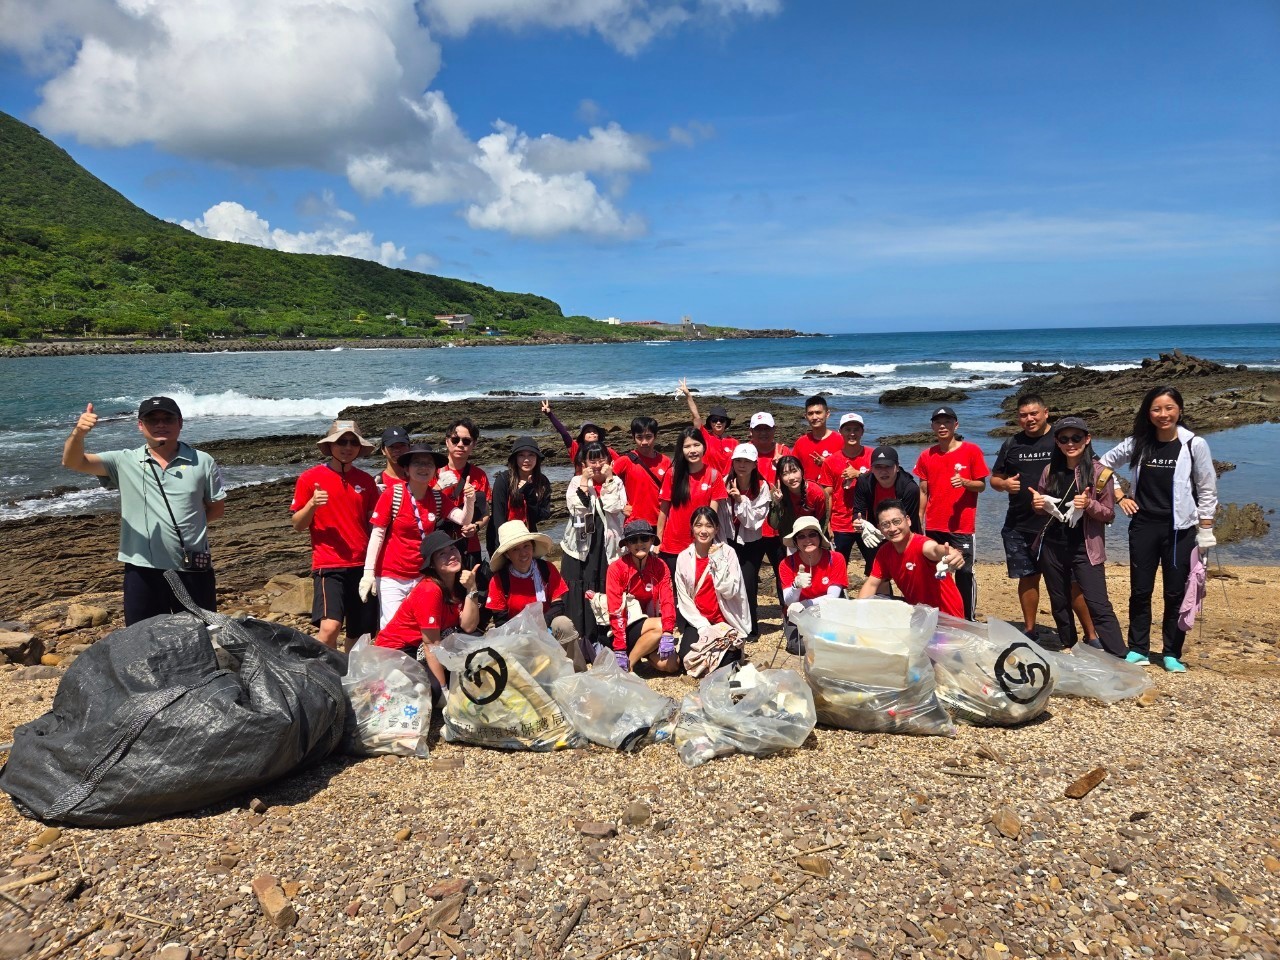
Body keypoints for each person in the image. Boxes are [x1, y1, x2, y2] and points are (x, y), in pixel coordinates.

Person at [61, 396, 226, 625]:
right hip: (142, 570)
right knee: (143, 638)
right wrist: (78, 433)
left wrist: (187, 530)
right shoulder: (124, 461)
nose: (160, 424)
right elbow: (73, 461)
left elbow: (216, 508)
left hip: (192, 566)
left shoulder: (203, 461)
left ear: (180, 423)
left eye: (167, 418)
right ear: (140, 425)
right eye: (152, 419)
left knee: (201, 634)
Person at [1099, 385, 1218, 672]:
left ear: (1179, 409)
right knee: (1141, 590)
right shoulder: (1138, 442)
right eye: (1156, 409)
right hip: (1144, 526)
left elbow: (1207, 488)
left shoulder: (1194, 444)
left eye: (1168, 408)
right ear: (1148, 412)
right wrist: (1119, 496)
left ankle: (1171, 653)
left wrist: (1205, 528)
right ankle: (1138, 649)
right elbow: (1101, 464)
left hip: (1181, 529)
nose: (1163, 414)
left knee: (1175, 592)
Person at [990, 394, 1098, 642]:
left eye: (1034, 413)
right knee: (1028, 577)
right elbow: (994, 478)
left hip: (1058, 524)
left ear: (1046, 412)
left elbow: (1094, 469)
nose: (1029, 419)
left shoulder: (1063, 439)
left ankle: (1091, 634)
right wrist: (1004, 484)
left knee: (1071, 581)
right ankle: (1030, 630)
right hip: (1019, 523)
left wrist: (1117, 495)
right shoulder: (1012, 443)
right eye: (1023, 415)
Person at [1030, 417, 1125, 656]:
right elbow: (1040, 508)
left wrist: (1089, 504)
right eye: (1064, 439)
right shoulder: (1050, 470)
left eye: (1076, 438)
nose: (1070, 443)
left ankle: (1118, 654)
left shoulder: (1101, 474)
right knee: (1059, 600)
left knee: (1098, 603)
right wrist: (1038, 504)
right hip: (1052, 545)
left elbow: (1109, 515)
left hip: (1086, 548)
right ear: (1057, 442)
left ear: (1087, 439)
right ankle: (1068, 645)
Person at [289, 419, 380, 649]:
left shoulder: (366, 481)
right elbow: (298, 524)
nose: (347, 447)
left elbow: (375, 525)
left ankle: (350, 679)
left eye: (353, 442)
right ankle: (322, 675)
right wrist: (311, 505)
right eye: (341, 441)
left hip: (362, 565)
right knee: (329, 628)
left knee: (361, 634)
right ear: (330, 446)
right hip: (329, 565)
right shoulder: (309, 479)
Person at [362, 444, 473, 629]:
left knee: (421, 624)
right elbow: (377, 534)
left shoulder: (437, 498)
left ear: (435, 470)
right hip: (392, 575)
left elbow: (463, 519)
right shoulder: (393, 494)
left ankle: (420, 658)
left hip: (425, 575)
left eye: (428, 464)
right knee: (393, 627)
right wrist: (368, 574)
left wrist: (469, 500)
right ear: (406, 468)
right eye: (417, 463)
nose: (423, 468)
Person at [375, 531, 482, 695]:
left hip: (429, 645)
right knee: (432, 691)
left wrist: (472, 589)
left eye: (453, 549)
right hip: (399, 650)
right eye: (442, 554)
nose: (451, 556)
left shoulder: (459, 582)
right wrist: (444, 690)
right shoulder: (430, 590)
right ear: (432, 564)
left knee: (476, 644)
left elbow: (468, 627)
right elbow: (431, 645)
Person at [913, 406, 989, 620]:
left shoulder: (971, 450)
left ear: (956, 425)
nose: (942, 426)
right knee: (934, 571)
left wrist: (965, 482)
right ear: (932, 427)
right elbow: (923, 490)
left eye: (947, 422)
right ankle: (938, 614)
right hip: (935, 525)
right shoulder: (926, 455)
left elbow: (981, 486)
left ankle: (968, 617)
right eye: (938, 422)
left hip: (961, 526)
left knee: (964, 572)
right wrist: (920, 518)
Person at [488, 520, 586, 670]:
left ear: (533, 547)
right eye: (515, 549)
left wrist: (540, 625)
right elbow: (501, 622)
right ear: (507, 555)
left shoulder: (546, 569)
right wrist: (527, 631)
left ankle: (579, 672)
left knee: (564, 624)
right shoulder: (499, 580)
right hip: (517, 635)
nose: (523, 553)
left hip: (547, 626)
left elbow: (558, 605)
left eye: (526, 546)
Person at [560, 442, 628, 654]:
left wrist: (608, 480)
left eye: (602, 460)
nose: (597, 465)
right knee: (580, 589)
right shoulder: (576, 482)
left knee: (604, 589)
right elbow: (577, 509)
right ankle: (580, 637)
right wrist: (583, 480)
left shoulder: (616, 482)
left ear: (609, 462)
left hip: (606, 545)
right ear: (584, 463)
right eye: (592, 460)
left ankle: (602, 637)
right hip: (580, 545)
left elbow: (613, 506)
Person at [675, 507, 750, 676]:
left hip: (724, 618)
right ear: (692, 528)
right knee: (685, 657)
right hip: (699, 619)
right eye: (698, 525)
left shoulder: (728, 553)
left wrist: (718, 561)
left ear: (716, 529)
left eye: (709, 526)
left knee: (725, 665)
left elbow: (730, 591)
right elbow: (684, 598)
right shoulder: (683, 557)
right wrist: (702, 626)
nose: (703, 531)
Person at [858, 500, 966, 618]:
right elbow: (872, 584)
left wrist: (950, 552)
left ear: (908, 520)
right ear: (879, 528)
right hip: (920, 613)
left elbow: (934, 549)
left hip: (947, 615)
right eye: (885, 524)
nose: (893, 529)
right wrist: (858, 612)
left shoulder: (921, 544)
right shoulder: (884, 552)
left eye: (896, 521)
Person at [605, 520, 680, 674]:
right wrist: (619, 646)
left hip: (650, 628)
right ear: (627, 544)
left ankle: (635, 657)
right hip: (623, 628)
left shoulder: (660, 566)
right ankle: (628, 664)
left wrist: (668, 632)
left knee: (672, 665)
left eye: (644, 538)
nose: (639, 544)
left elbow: (667, 601)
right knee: (659, 627)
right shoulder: (616, 568)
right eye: (633, 540)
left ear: (652, 540)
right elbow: (615, 609)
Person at [850, 446, 921, 594]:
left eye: (888, 467)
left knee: (909, 573)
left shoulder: (909, 488)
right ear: (871, 468)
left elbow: (909, 522)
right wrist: (860, 523)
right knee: (878, 574)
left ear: (897, 467)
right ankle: (884, 602)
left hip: (904, 533)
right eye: (878, 467)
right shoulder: (864, 482)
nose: (883, 472)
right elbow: (858, 511)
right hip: (875, 532)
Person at [657, 426, 726, 576]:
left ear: (704, 446)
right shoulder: (672, 474)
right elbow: (663, 510)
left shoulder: (714, 475)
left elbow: (712, 515)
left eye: (696, 445)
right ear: (681, 450)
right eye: (687, 446)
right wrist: (658, 540)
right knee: (674, 593)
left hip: (701, 545)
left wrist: (711, 543)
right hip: (672, 545)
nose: (692, 450)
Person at [777, 515, 848, 655]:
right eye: (801, 536)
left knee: (839, 641)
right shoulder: (786, 564)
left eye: (812, 534)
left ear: (820, 537)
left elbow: (832, 597)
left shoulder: (835, 559)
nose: (807, 540)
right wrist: (796, 586)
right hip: (797, 613)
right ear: (796, 541)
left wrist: (806, 603)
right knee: (799, 647)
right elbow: (789, 601)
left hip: (827, 611)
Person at [724, 443, 772, 640]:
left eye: (746, 461)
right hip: (728, 539)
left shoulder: (761, 486)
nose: (741, 465)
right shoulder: (725, 481)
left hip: (752, 542)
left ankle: (751, 628)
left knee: (749, 583)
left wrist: (740, 499)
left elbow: (753, 522)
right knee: (728, 582)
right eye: (738, 461)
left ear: (754, 464)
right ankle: (729, 623)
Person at [437, 417, 490, 568]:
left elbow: (486, 512)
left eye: (466, 441)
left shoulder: (479, 475)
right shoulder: (432, 471)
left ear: (474, 444)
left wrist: (476, 527)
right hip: (439, 545)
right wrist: (437, 488)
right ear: (447, 441)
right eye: (455, 440)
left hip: (469, 545)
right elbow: (419, 505)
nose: (460, 445)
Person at [820, 412, 873, 561]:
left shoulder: (872, 455)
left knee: (877, 567)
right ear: (840, 432)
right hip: (840, 524)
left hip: (868, 522)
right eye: (847, 429)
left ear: (862, 432)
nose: (852, 433)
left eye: (856, 429)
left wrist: (859, 475)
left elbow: (883, 484)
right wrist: (827, 524)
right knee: (838, 566)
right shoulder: (830, 461)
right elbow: (827, 494)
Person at [487, 437, 553, 555]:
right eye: (521, 455)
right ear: (515, 458)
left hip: (527, 538)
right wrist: (501, 550)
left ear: (537, 458)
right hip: (502, 539)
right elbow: (498, 517)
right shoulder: (503, 480)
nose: (526, 460)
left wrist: (530, 495)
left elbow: (542, 515)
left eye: (531, 455)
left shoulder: (542, 482)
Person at [747, 411, 790, 577]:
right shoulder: (745, 453)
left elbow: (797, 485)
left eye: (767, 428)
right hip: (752, 528)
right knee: (749, 576)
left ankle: (786, 604)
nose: (763, 433)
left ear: (774, 429)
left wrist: (782, 467)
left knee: (783, 573)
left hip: (778, 527)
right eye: (758, 429)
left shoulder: (784, 452)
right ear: (751, 431)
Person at [612, 416, 670, 525]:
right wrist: (620, 506)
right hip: (634, 522)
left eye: (648, 437)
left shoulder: (665, 461)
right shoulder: (625, 461)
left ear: (655, 436)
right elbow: (605, 485)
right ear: (633, 437)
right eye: (639, 437)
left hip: (660, 522)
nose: (644, 442)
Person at [678, 379, 738, 474]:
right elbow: (696, 416)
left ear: (726, 423)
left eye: (721, 420)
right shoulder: (704, 436)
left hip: (728, 482)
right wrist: (688, 396)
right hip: (709, 480)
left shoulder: (734, 442)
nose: (718, 423)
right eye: (714, 420)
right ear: (710, 422)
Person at [541, 400, 618, 474]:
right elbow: (564, 433)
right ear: (582, 436)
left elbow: (621, 463)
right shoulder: (576, 449)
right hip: (582, 484)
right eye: (588, 431)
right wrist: (550, 414)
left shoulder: (608, 451)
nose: (592, 433)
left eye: (595, 431)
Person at [769, 454, 826, 552]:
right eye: (785, 474)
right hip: (789, 540)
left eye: (794, 471)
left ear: (802, 471)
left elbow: (821, 520)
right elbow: (774, 525)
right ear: (780, 477)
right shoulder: (777, 493)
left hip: (812, 540)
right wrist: (777, 503)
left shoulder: (816, 492)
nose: (791, 477)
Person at [791, 395, 842, 482]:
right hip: (807, 492)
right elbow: (793, 469)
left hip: (833, 493)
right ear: (806, 416)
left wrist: (828, 464)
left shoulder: (840, 440)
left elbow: (847, 469)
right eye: (810, 413)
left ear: (827, 414)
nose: (814, 417)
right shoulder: (801, 442)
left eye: (818, 412)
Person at [376, 426, 411, 490]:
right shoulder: (375, 483)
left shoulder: (422, 478)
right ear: (383, 450)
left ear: (409, 448)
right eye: (391, 446)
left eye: (402, 445)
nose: (397, 450)